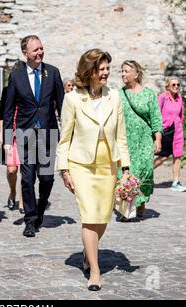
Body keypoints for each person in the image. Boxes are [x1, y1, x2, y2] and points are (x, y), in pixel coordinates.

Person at [57, 49, 131, 291]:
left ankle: (89, 254)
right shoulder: (72, 99)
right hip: (81, 164)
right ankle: (95, 271)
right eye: (102, 69)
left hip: (107, 163)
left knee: (103, 216)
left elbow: (121, 135)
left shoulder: (115, 96)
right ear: (89, 72)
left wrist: (126, 168)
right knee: (89, 215)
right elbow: (64, 138)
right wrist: (64, 170)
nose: (107, 73)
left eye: (108, 68)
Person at [4, 35, 64, 237]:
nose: (39, 53)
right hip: (25, 133)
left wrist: (68, 133)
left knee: (46, 179)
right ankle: (30, 220)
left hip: (48, 133)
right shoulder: (17, 75)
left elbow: (63, 105)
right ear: (25, 53)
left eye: (41, 48)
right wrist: (7, 139)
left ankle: (39, 211)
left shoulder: (52, 73)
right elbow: (8, 108)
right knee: (27, 179)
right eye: (35, 50)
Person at [120, 60, 163, 217]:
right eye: (122, 71)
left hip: (144, 140)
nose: (123, 74)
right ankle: (127, 210)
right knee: (127, 173)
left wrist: (157, 139)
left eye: (126, 71)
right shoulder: (119, 94)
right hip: (126, 140)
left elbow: (156, 118)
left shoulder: (148, 94)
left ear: (136, 74)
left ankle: (141, 200)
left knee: (144, 172)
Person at [0, 61, 25, 214]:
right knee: (11, 170)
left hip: (26, 132)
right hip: (11, 132)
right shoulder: (7, 91)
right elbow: (2, 113)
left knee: (26, 170)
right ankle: (13, 191)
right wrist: (2, 132)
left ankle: (22, 198)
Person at [154, 76, 186, 192]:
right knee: (163, 157)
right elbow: (156, 115)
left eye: (178, 84)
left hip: (177, 131)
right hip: (165, 131)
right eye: (173, 85)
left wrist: (179, 126)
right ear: (168, 86)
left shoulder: (179, 98)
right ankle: (143, 176)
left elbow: (181, 115)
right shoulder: (162, 98)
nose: (176, 87)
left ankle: (176, 182)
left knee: (177, 156)